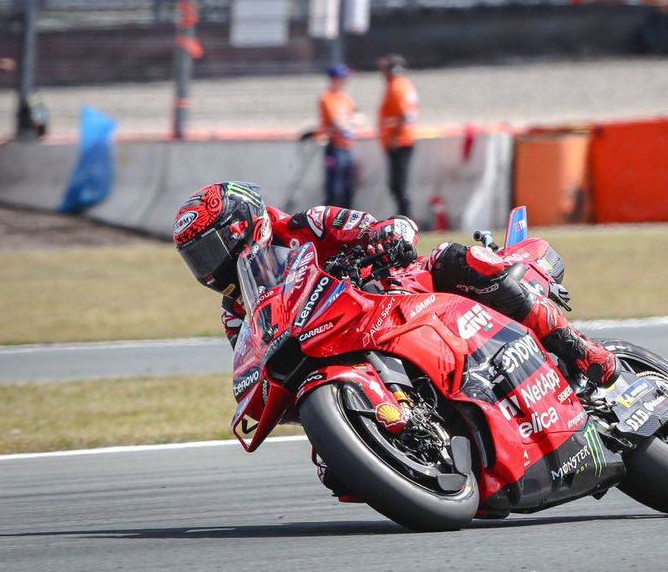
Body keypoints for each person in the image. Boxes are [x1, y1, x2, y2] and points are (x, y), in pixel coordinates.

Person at [172, 181, 618, 387]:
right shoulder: (237, 313)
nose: (207, 268)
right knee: (333, 472)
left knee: (458, 259)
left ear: (241, 227)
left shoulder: (308, 225)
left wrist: (384, 238)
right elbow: (259, 370)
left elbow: (384, 226)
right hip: (340, 350)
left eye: (209, 251)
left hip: (399, 295)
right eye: (196, 260)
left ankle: (579, 348)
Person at [377, 54, 417, 219]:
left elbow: (403, 115)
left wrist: (394, 137)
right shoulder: (405, 85)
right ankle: (404, 215)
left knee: (398, 185)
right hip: (403, 139)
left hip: (399, 142)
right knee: (398, 184)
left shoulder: (396, 88)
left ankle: (405, 217)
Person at [316, 64, 357, 208]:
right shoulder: (327, 97)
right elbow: (337, 123)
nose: (346, 81)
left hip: (346, 146)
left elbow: (359, 118)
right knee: (334, 187)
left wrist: (347, 121)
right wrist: (348, 121)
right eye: (343, 78)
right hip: (334, 146)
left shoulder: (345, 97)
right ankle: (331, 217)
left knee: (347, 186)